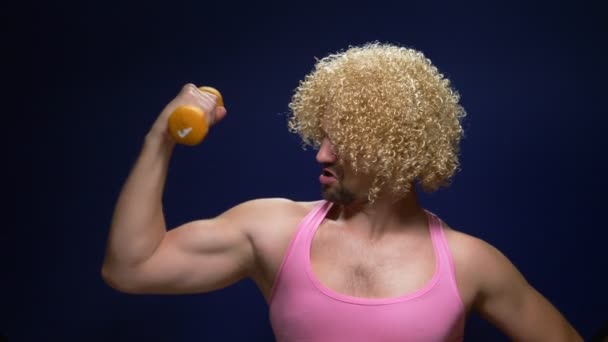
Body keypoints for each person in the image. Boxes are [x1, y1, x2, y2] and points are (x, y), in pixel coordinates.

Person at [101, 43, 582, 341]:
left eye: (344, 143)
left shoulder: (468, 263)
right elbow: (130, 269)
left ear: (398, 150)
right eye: (322, 136)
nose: (322, 155)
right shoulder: (273, 231)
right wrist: (160, 138)